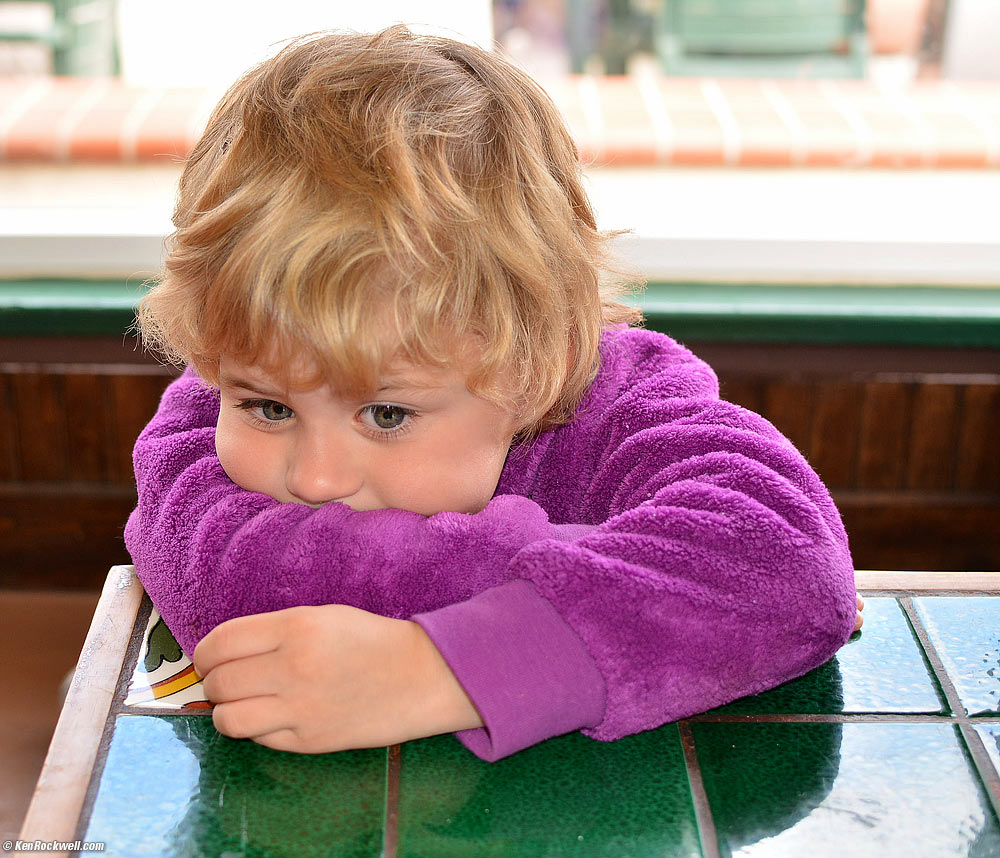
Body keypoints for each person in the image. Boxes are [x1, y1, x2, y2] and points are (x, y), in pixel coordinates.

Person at [125, 25, 863, 762]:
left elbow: (787, 567)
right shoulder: (198, 426)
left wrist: (435, 671)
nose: (316, 479)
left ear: (543, 366)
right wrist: (649, 587)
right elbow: (235, 581)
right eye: (269, 409)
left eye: (387, 414)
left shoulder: (629, 402)